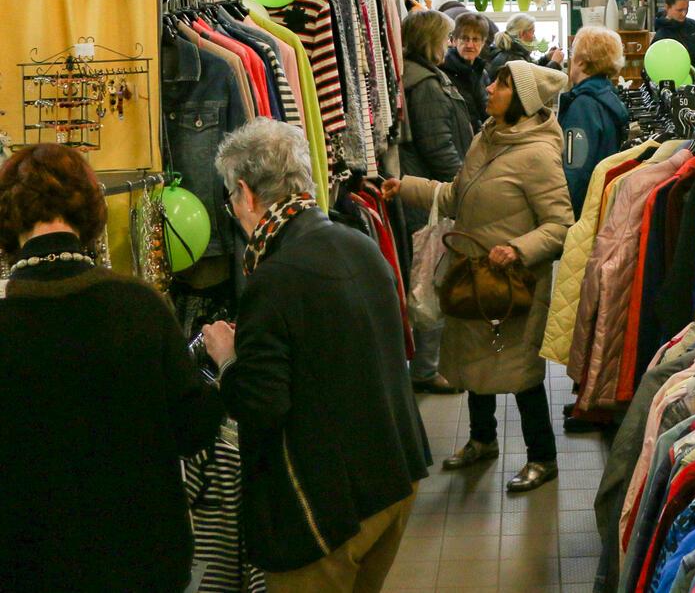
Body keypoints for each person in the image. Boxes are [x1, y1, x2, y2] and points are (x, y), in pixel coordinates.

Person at [202, 119, 429, 591]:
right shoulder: (359, 244)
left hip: (327, 510)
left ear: (245, 193)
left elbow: (261, 406)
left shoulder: (273, 277)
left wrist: (227, 358)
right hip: (393, 476)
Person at [0, 144, 224, 593]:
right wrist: (225, 371)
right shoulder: (140, 306)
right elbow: (194, 431)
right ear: (89, 213)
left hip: (30, 565)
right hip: (142, 560)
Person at [387, 61, 574, 492]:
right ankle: (482, 439)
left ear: (522, 101)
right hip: (472, 278)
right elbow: (455, 196)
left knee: (520, 374)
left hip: (513, 286)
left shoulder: (537, 154)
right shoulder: (485, 139)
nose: (489, 88)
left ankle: (542, 457)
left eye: (501, 85)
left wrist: (519, 249)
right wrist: (405, 186)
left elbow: (561, 226)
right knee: (475, 365)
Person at [400, 8, 475, 395]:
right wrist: (465, 184)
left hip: (429, 189)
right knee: (430, 276)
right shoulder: (426, 84)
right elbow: (437, 145)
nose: (450, 44)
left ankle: (429, 363)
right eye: (446, 37)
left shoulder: (424, 77)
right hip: (431, 193)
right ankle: (426, 368)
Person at [560, 27, 631, 216]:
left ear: (581, 62)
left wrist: (563, 219)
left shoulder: (583, 106)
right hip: (601, 203)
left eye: (572, 54)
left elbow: (575, 170)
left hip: (583, 209)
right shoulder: (608, 96)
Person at [440, 10, 492, 130]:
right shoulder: (443, 72)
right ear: (454, 41)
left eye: (475, 39)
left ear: (483, 42)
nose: (470, 45)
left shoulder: (482, 73)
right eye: (464, 38)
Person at [486, 12, 564, 80]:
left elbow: (532, 70)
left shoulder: (513, 53)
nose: (534, 37)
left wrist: (546, 58)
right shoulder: (514, 60)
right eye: (532, 32)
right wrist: (554, 63)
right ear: (522, 34)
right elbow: (537, 84)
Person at [652, 0, 695, 65]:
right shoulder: (661, 36)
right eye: (680, 10)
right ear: (667, 7)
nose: (684, 13)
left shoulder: (694, 26)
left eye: (686, 9)